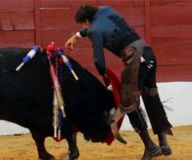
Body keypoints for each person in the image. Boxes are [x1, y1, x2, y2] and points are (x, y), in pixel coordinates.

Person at [64, 5, 173, 160]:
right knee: (151, 96)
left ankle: (150, 146)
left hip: (135, 61)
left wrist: (105, 77)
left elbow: (99, 62)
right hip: (148, 54)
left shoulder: (94, 31)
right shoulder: (105, 10)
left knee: (128, 104)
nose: (84, 28)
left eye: (83, 25)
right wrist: (77, 35)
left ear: (87, 21)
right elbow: (94, 28)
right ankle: (163, 143)